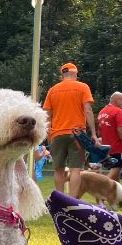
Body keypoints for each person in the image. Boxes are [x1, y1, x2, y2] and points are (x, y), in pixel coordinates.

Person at [42, 62, 98, 198]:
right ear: (75, 73)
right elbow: (88, 110)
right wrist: (94, 134)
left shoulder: (52, 90)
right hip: (77, 135)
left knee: (58, 170)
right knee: (75, 170)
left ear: (62, 75)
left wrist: (48, 134)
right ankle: (72, 201)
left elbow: (46, 116)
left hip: (57, 134)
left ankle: (60, 200)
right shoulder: (83, 87)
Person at [97, 91, 122, 181]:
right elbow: (121, 129)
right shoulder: (118, 111)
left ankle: (119, 195)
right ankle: (101, 189)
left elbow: (100, 132)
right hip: (118, 147)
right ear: (117, 100)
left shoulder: (101, 112)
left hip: (107, 148)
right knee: (116, 169)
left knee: (116, 177)